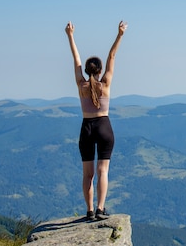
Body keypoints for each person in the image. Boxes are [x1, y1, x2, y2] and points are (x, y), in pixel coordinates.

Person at [65, 20, 127, 221]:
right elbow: (112, 56)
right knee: (103, 171)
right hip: (104, 126)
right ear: (99, 71)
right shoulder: (105, 84)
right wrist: (119, 35)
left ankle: (89, 211)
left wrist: (70, 35)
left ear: (87, 71)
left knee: (87, 174)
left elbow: (76, 60)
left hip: (87, 128)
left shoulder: (80, 84)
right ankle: (101, 209)